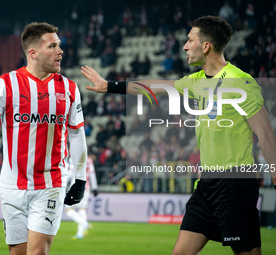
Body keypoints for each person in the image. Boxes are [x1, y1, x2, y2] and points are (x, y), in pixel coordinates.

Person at [81, 16, 276, 255]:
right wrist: (109, 86)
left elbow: (266, 136)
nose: (184, 46)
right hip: (207, 184)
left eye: (190, 40)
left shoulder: (241, 82)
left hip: (235, 184)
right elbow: (154, 86)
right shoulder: (194, 82)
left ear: (206, 46)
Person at [0, 22, 88, 255]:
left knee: (37, 253)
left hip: (50, 184)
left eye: (60, 45)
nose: (60, 51)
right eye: (53, 46)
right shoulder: (6, 84)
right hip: (11, 184)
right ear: (33, 53)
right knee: (17, 252)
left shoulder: (69, 88)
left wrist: (80, 178)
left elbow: (76, 134)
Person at [65, 154, 98, 239]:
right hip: (86, 189)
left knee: (69, 210)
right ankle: (80, 233)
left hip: (75, 188)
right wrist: (95, 187)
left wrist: (63, 184)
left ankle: (85, 224)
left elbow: (71, 173)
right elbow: (92, 174)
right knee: (82, 210)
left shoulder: (75, 158)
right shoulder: (89, 160)